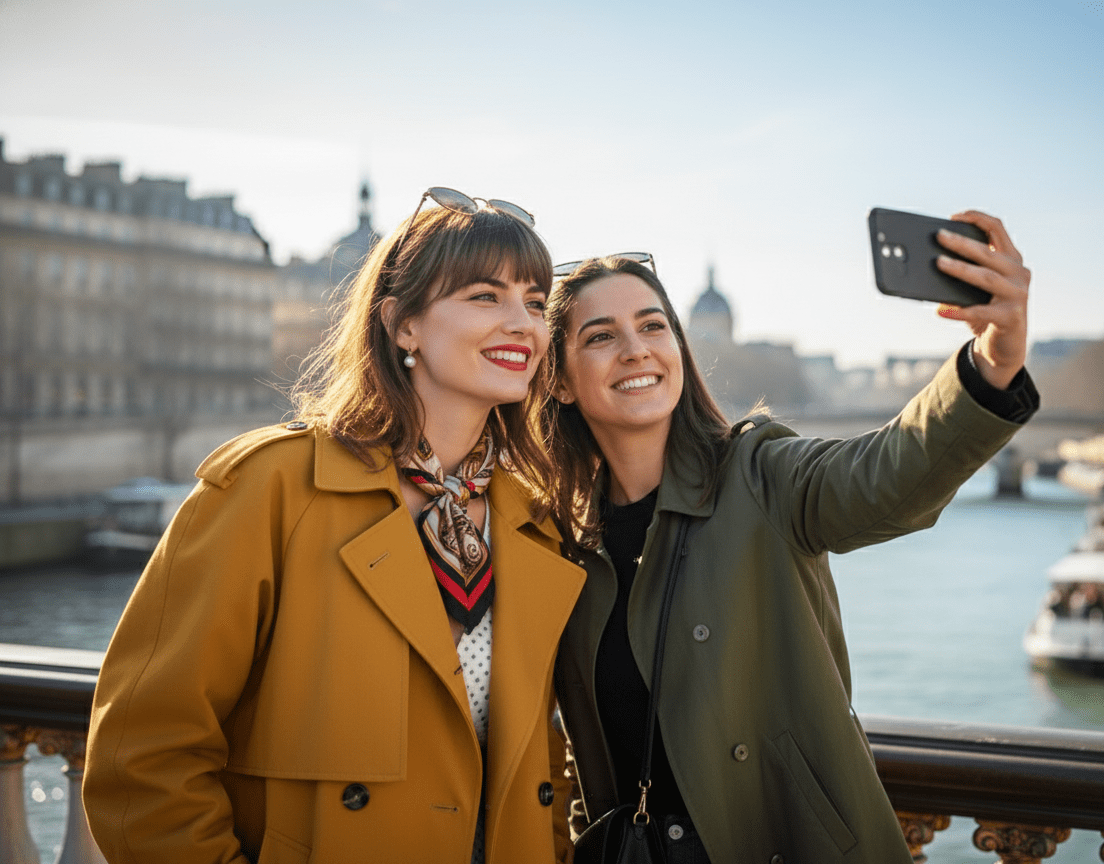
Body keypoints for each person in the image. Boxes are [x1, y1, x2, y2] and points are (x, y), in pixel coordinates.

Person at [83, 187, 585, 864]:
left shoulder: (534, 520)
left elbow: (541, 768)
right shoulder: (274, 488)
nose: (523, 322)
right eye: (485, 296)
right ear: (402, 324)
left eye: (534, 301)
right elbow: (142, 753)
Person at [546, 212, 1038, 863]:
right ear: (558, 378)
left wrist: (993, 358)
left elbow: (888, 474)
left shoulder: (762, 475)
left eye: (653, 325)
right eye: (601, 335)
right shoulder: (560, 541)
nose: (635, 348)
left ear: (680, 351)